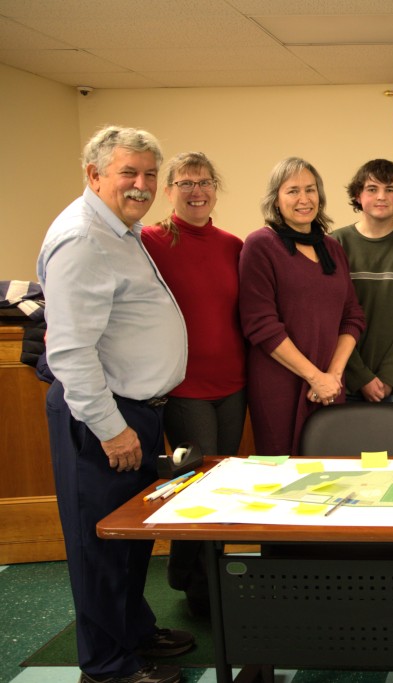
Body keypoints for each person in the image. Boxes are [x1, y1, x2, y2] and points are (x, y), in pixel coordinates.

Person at [37, 126, 193, 683]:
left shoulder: (120, 231)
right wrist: (110, 428)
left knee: (131, 537)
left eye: (150, 174)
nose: (142, 184)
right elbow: (72, 352)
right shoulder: (84, 238)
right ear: (94, 174)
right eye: (129, 172)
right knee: (100, 545)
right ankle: (108, 668)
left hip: (137, 410)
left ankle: (134, 632)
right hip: (105, 417)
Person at [141, 152, 245, 617]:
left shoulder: (232, 245)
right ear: (168, 191)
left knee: (221, 483)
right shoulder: (150, 241)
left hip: (232, 384)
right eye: (185, 183)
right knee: (194, 485)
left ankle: (210, 570)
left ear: (215, 189)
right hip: (184, 388)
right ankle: (192, 581)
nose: (196, 191)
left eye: (204, 182)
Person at [239, 157, 365, 455]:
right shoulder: (259, 246)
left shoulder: (331, 247)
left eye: (310, 189)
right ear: (276, 199)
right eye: (292, 191)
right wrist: (314, 376)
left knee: (331, 472)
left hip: (329, 385)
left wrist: (332, 376)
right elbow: (261, 325)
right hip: (280, 384)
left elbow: (353, 316)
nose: (304, 199)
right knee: (285, 479)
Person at [329, 159, 393, 403]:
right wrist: (360, 377)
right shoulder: (335, 244)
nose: (381, 196)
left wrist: (391, 376)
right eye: (372, 189)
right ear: (358, 195)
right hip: (347, 382)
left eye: (390, 189)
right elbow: (331, 316)